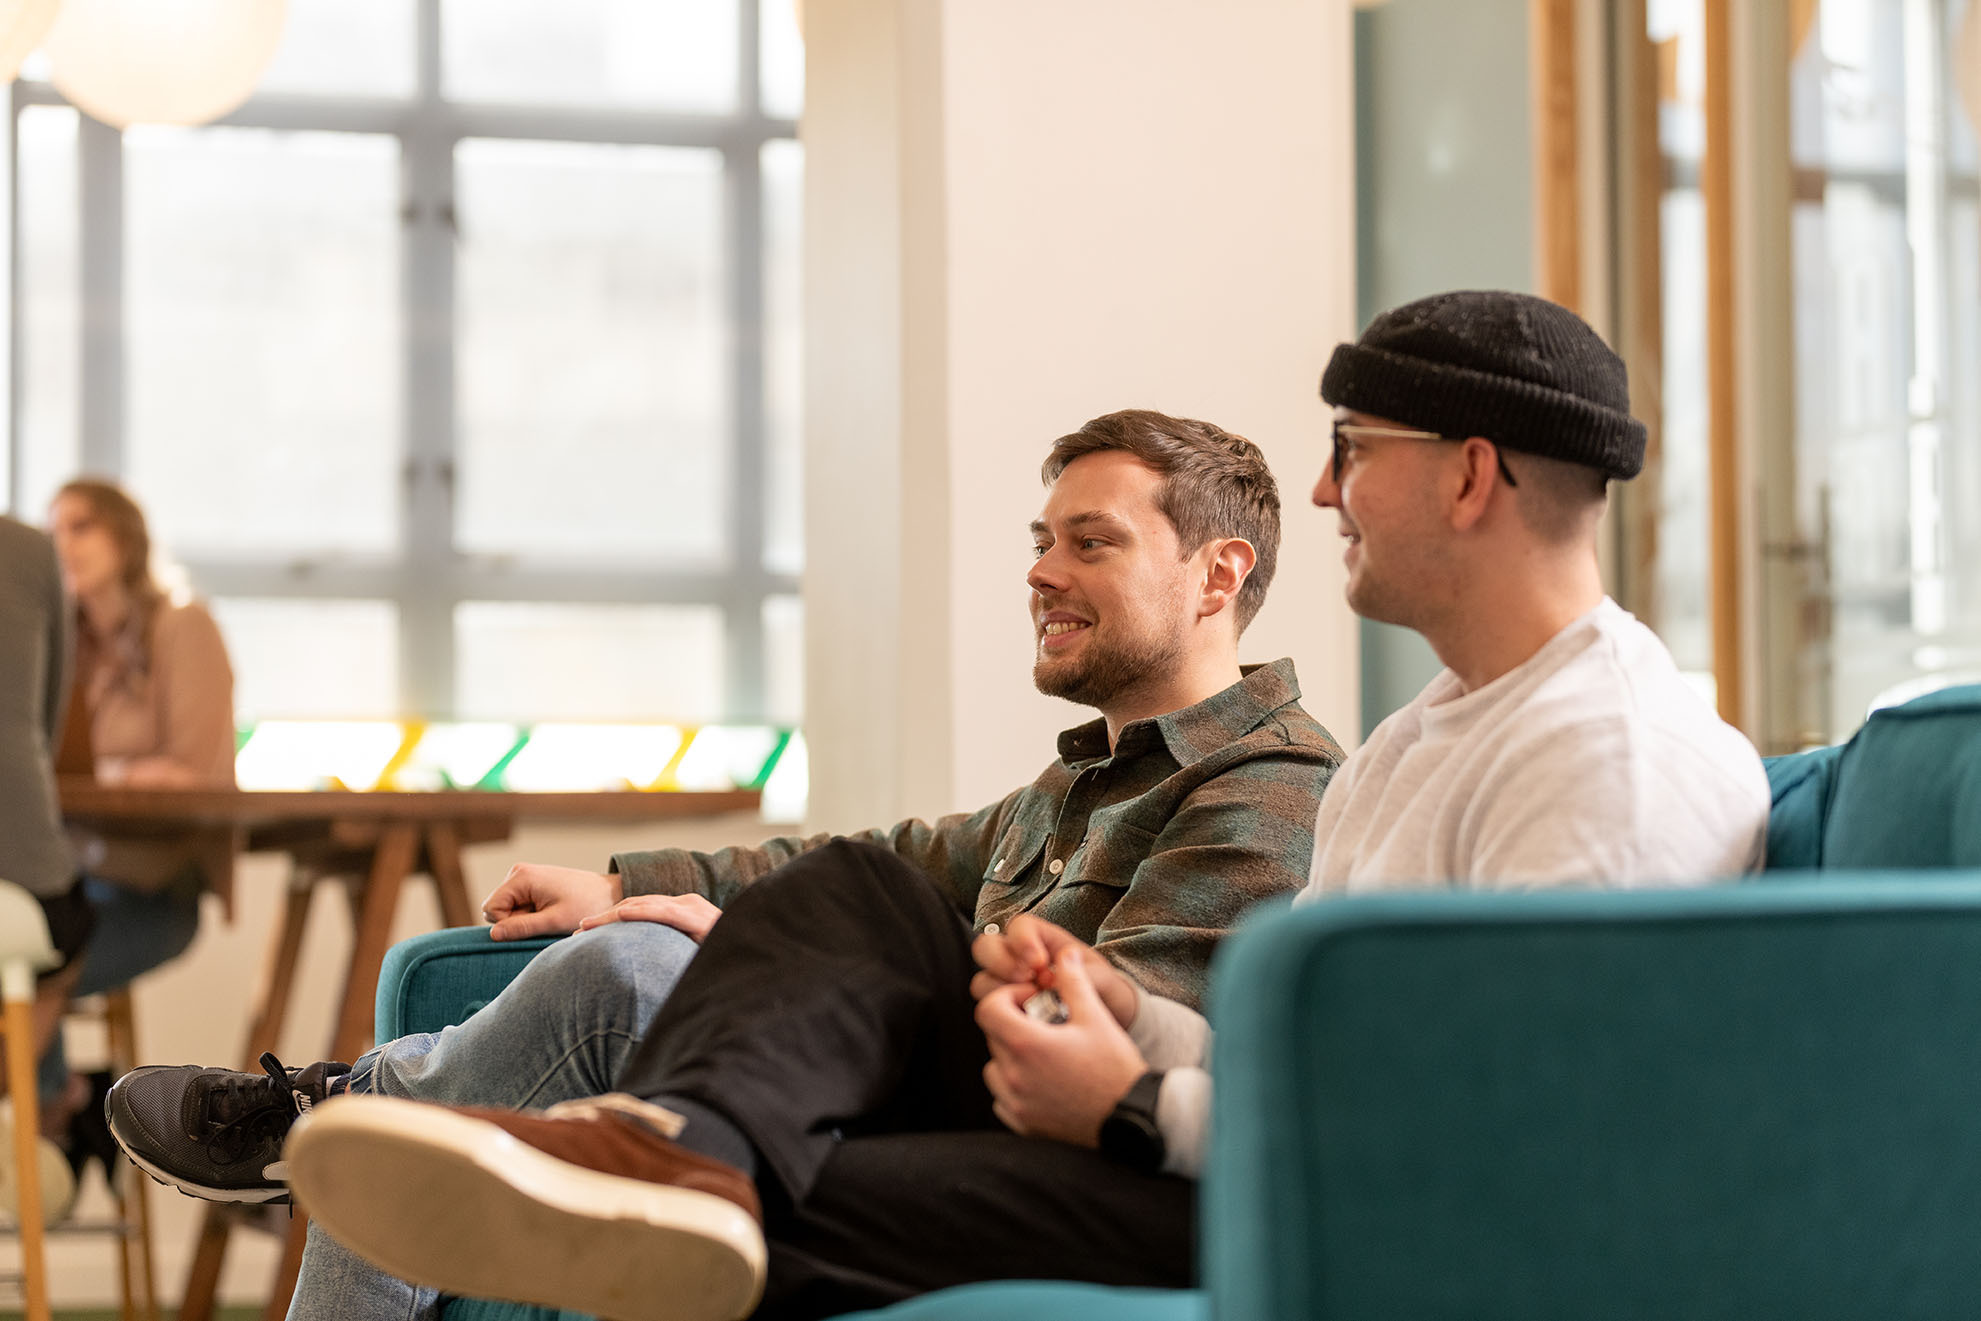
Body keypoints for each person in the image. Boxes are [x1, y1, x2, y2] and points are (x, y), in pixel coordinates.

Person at [261, 292, 1770, 1321]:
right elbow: (1299, 1049)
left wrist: (1122, 1096)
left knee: (778, 1205)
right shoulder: (1424, 738)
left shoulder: (1606, 764)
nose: (1322, 495)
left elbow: (1491, 1155)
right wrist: (1116, 1004)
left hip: (1355, 1229)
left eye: (1354, 456)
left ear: (1471, 478)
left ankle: (532, 1132)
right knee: (853, 902)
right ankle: (679, 1142)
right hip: (1247, 1153)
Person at [106, 409, 1344, 1316]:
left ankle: (344, 1110)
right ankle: (368, 1114)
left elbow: (1106, 1031)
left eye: (1089, 543)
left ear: (1216, 576)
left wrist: (764, 955)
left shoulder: (1265, 786)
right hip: (931, 1089)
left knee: (661, 960)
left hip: (1056, 1134)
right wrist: (634, 882)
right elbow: (869, 863)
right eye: (1040, 539)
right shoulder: (1073, 785)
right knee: (712, 921)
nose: (1039, 570)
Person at [41, 479, 236, 1182]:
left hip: (155, 888)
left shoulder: (181, 626)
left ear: (124, 538)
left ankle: (51, 1112)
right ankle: (60, 1107)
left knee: (32, 962)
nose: (62, 542)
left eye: (81, 525)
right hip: (77, 873)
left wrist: (109, 775)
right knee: (23, 944)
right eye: (53, 528)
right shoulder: (68, 648)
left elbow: (197, 771)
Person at [0, 515, 94, 1222]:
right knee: (62, 937)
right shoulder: (31, 550)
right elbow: (46, 717)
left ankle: (50, 1103)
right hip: (23, 866)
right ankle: (29, 1113)